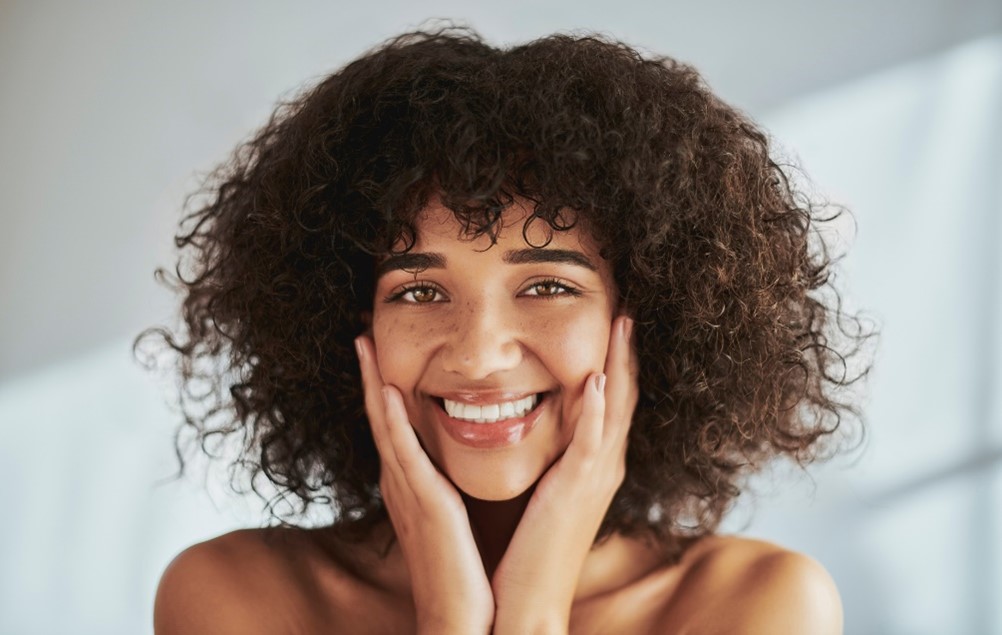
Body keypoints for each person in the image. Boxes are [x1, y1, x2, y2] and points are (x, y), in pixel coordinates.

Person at [144, 25, 871, 634]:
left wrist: (530, 610)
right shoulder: (238, 599)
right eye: (421, 290)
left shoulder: (755, 606)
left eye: (548, 285)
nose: (479, 354)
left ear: (648, 316)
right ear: (349, 319)